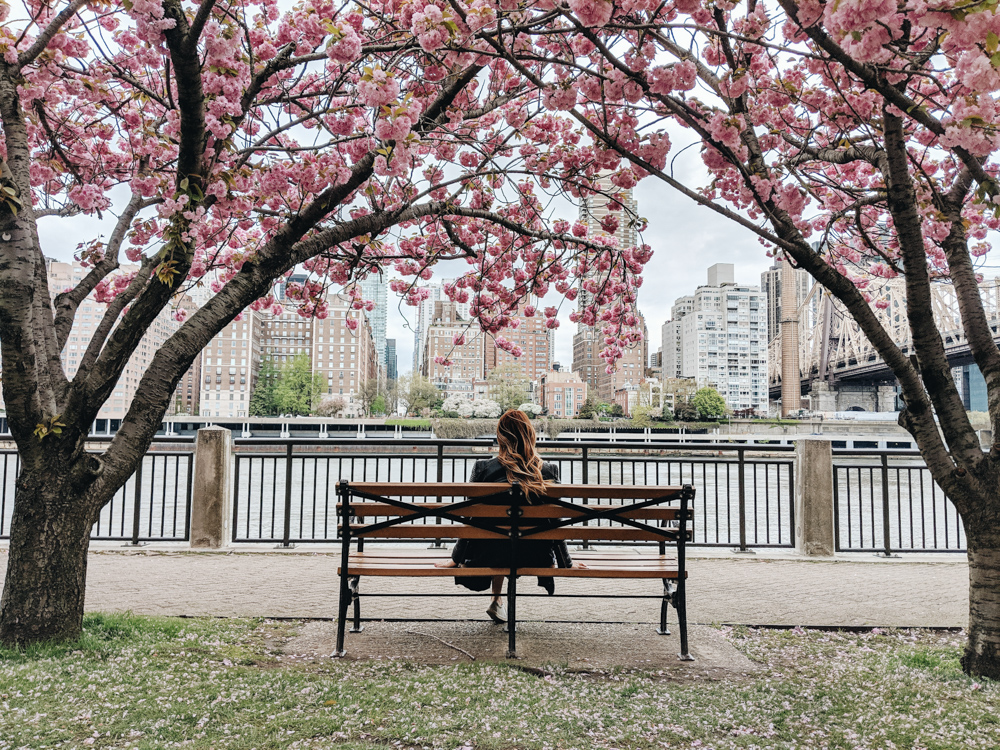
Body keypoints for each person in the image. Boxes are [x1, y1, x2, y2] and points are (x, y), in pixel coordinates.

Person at [435, 409, 586, 623]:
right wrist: (566, 563)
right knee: (510, 537)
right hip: (535, 556)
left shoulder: (482, 468)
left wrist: (455, 559)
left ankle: (497, 600)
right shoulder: (549, 471)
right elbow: (555, 524)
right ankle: (497, 603)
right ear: (530, 435)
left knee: (500, 536)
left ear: (500, 437)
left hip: (489, 554)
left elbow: (468, 519)